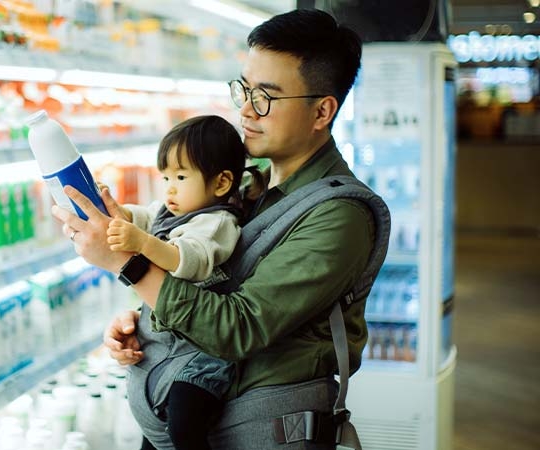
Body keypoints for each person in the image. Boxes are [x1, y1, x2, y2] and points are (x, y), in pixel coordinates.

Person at [54, 9, 374, 450]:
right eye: (243, 88)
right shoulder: (247, 187)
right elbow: (203, 283)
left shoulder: (338, 216)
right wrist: (147, 319)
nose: (245, 109)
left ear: (322, 111)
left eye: (265, 97)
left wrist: (131, 266)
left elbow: (238, 327)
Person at [103, 114, 262, 450]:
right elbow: (146, 216)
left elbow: (189, 260)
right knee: (157, 433)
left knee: (184, 428)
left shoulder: (217, 222)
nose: (170, 188)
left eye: (180, 176)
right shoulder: (174, 209)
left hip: (201, 358)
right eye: (165, 177)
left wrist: (142, 243)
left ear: (220, 183)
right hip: (169, 349)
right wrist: (119, 213)